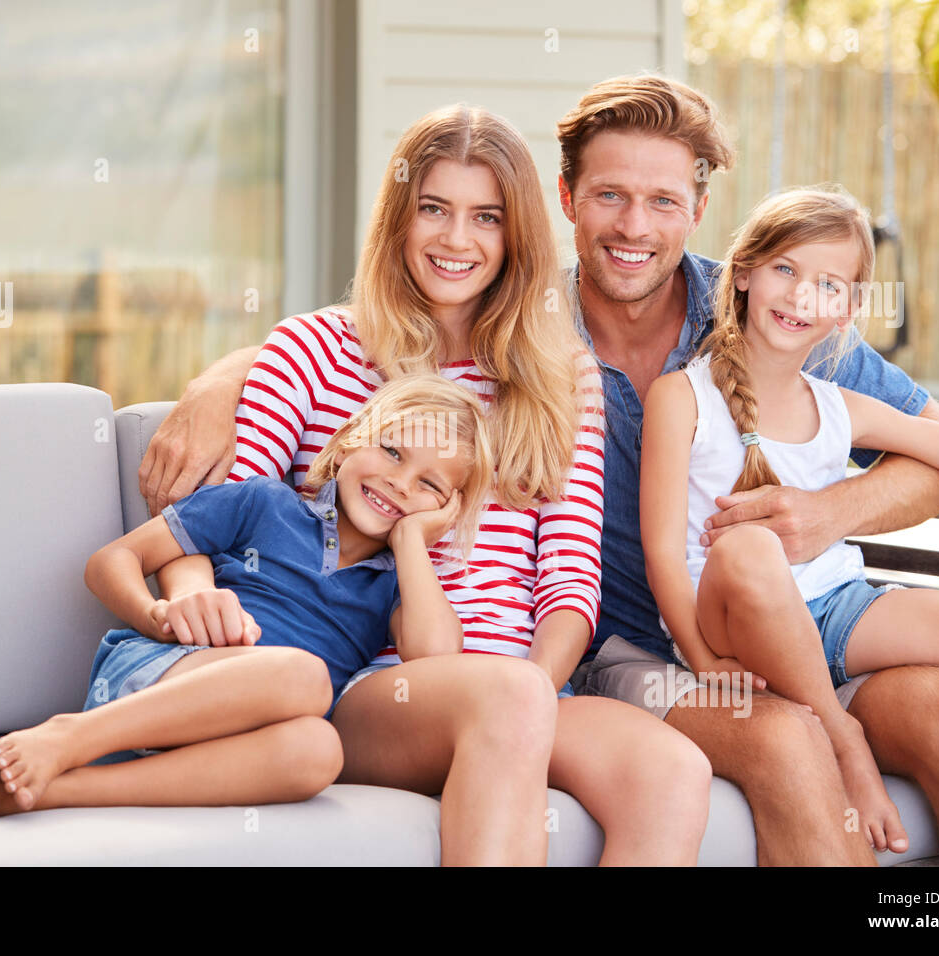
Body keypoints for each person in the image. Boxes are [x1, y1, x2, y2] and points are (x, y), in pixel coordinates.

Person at [142, 104, 713, 866]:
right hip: (367, 689)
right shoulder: (313, 350)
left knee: (672, 771)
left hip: (522, 684)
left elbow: (570, 581)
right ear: (397, 220)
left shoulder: (559, 374)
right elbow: (227, 523)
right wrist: (188, 598)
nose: (456, 239)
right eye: (433, 210)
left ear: (516, 236)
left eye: (486, 217)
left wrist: (537, 693)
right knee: (504, 700)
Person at [557, 73, 939, 864]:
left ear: (700, 209)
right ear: (567, 197)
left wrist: (834, 512)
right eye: (610, 196)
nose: (635, 226)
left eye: (663, 201)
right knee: (790, 738)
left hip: (823, 619)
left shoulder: (778, 312)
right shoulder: (524, 338)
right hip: (643, 654)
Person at [642, 184, 939, 853]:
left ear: (849, 309)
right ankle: (843, 738)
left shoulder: (841, 405)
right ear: (742, 272)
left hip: (837, 610)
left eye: (828, 284)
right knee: (748, 550)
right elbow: (663, 552)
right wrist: (702, 659)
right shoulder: (679, 397)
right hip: (733, 621)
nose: (802, 297)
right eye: (785, 270)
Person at [0, 373, 492, 817]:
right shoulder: (265, 503)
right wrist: (158, 615)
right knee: (307, 677)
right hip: (169, 671)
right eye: (393, 451)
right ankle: (71, 735)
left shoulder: (398, 580)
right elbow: (111, 561)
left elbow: (435, 656)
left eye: (430, 485)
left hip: (242, 734)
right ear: (353, 438)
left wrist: (410, 543)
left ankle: (61, 791)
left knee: (320, 750)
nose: (401, 483)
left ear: (445, 512)